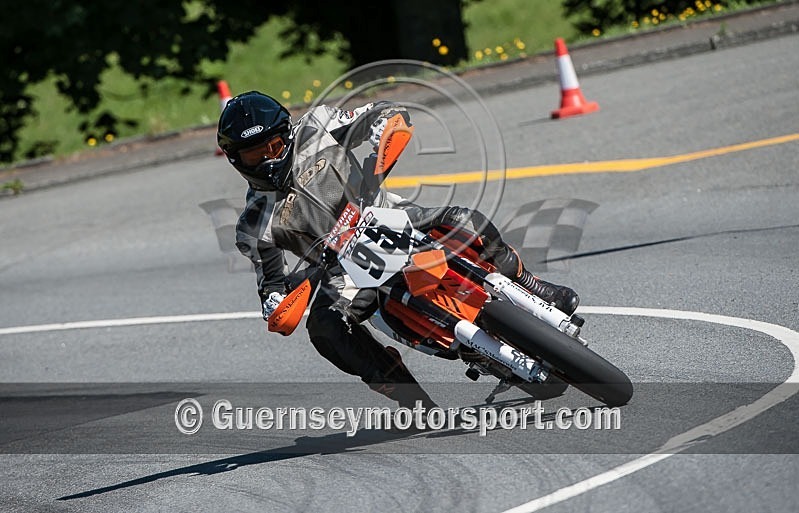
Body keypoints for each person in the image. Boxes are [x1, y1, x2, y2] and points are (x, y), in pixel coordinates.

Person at [217, 91, 579, 409]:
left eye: (274, 147)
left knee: (465, 220)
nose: (267, 159)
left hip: (390, 215)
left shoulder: (318, 126)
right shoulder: (254, 223)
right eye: (253, 155)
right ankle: (408, 399)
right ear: (236, 160)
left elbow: (379, 112)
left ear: (288, 135)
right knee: (324, 328)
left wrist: (384, 125)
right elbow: (271, 283)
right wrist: (275, 301)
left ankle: (529, 283)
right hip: (342, 272)